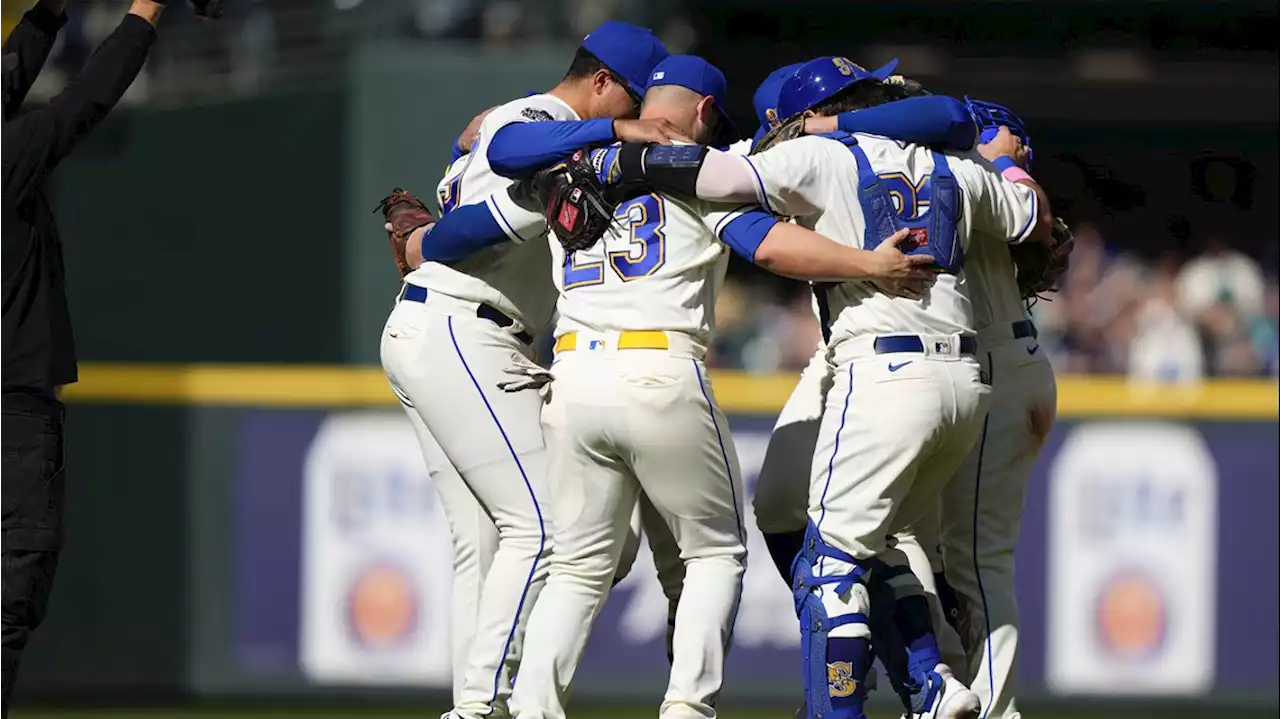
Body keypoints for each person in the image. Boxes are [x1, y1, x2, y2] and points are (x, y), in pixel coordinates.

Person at [591, 54, 1055, 719]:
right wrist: (1007, 169)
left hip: (904, 360)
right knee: (825, 519)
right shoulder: (949, 156)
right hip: (946, 365)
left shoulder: (822, 154)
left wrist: (616, 156)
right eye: (858, 92)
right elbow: (1021, 207)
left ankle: (924, 701)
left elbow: (742, 204)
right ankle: (933, 683)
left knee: (871, 562)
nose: (881, 92)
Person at [500, 54, 935, 719]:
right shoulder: (701, 170)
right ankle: (687, 708)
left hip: (573, 374)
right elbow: (772, 240)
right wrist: (869, 263)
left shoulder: (573, 165)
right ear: (703, 112)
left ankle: (530, 709)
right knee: (715, 552)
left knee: (577, 566)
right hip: (658, 367)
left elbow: (502, 147)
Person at [378, 21, 678, 719]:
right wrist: (431, 242)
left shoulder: (530, 121)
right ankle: (485, 707)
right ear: (602, 81)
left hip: (449, 329)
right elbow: (507, 156)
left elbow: (477, 137)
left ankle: (478, 702)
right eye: (633, 101)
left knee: (488, 543)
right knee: (550, 525)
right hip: (463, 324)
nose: (636, 118)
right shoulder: (541, 118)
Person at [0, 1, 216, 714]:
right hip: (12, 411)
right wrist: (144, 14)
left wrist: (51, 12)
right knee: (10, 595)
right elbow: (85, 102)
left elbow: (10, 78)